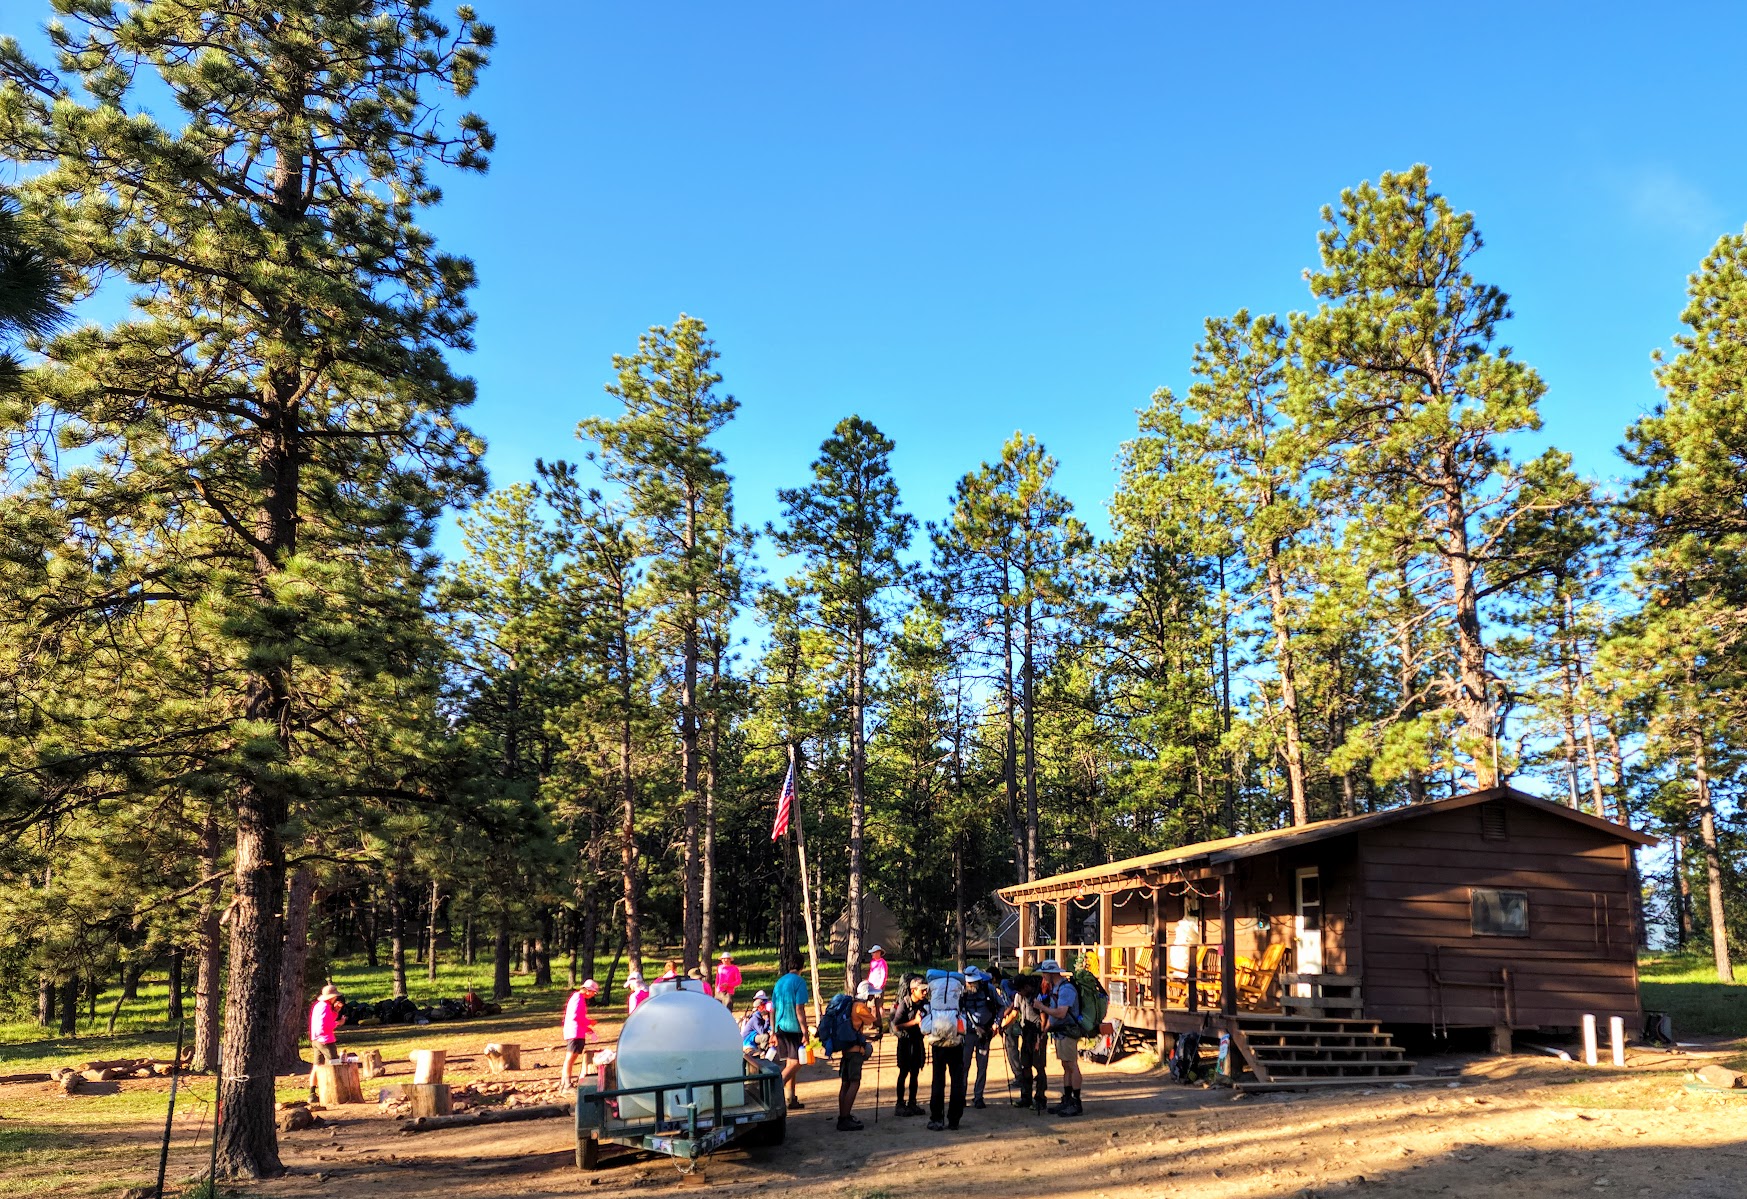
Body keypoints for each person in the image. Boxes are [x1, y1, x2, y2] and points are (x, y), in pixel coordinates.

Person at [1035, 959, 1083, 1116]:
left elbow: (1061, 1013)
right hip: (1060, 1032)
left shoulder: (1066, 989)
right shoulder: (1056, 988)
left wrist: (1042, 1007)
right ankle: (1068, 1099)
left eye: (1044, 973)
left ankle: (1076, 1102)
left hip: (1068, 1031)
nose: (1043, 976)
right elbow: (1054, 1015)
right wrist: (1045, 1031)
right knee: (1066, 1065)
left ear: (1051, 973)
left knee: (1072, 1065)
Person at [999, 971, 1047, 1113]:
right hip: (1026, 1032)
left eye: (1020, 989)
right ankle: (1026, 1097)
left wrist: (1041, 1037)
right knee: (1025, 1065)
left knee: (1039, 1066)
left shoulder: (1038, 996)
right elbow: (1015, 1013)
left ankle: (1040, 1098)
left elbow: (1043, 1019)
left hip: (1037, 1033)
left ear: (1026, 986)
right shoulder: (1019, 996)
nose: (1018, 992)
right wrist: (1004, 1026)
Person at [835, 982, 878, 1131]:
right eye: (871, 994)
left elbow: (855, 1029)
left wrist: (870, 1038)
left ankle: (843, 1115)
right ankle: (845, 1118)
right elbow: (876, 1022)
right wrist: (877, 1005)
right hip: (855, 1052)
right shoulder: (860, 1007)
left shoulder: (851, 1005)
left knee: (845, 1083)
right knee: (854, 1083)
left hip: (846, 1049)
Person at [771, 957, 811, 1110]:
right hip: (792, 1027)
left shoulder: (780, 982)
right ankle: (774, 1089)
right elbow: (799, 1008)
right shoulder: (799, 982)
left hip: (780, 1027)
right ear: (802, 966)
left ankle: (791, 1098)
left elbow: (772, 1009)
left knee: (790, 1062)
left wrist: (773, 1031)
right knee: (796, 1063)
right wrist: (805, 1031)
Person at [960, 967, 1000, 1109]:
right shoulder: (961, 992)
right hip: (967, 1034)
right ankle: (961, 1096)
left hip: (985, 1033)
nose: (971, 985)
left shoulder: (989, 989)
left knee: (982, 1066)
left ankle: (978, 1097)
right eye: (969, 983)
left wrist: (996, 1023)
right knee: (964, 1066)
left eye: (973, 982)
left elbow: (1001, 1006)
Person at [890, 974, 927, 1117]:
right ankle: (900, 1104)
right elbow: (896, 1025)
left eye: (925, 989)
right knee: (904, 1072)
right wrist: (914, 1022)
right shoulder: (904, 1004)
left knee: (915, 1073)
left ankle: (912, 1103)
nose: (925, 992)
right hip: (905, 1043)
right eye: (922, 990)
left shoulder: (924, 1003)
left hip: (917, 1042)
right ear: (913, 990)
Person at [306, 983, 345, 1101]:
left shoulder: (318, 1005)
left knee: (317, 1066)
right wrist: (338, 1023)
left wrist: (336, 1011)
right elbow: (324, 1025)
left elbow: (326, 1019)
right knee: (335, 1064)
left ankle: (312, 1093)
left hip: (315, 1039)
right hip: (325, 1040)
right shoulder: (326, 1007)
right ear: (332, 997)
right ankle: (336, 1092)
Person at [559, 978, 600, 1090]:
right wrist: (589, 1022)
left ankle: (564, 1083)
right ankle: (566, 1084)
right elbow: (575, 1017)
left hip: (577, 1032)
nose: (593, 995)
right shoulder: (578, 998)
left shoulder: (578, 998)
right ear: (588, 990)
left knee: (571, 1058)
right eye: (594, 992)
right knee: (570, 1058)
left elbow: (578, 1017)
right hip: (574, 1033)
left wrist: (587, 1029)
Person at [741, 990, 774, 1054]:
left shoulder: (760, 1014)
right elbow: (762, 1031)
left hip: (754, 1035)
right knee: (765, 1037)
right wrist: (767, 1020)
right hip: (748, 1039)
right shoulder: (755, 1018)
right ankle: (762, 1051)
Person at [866, 944, 889, 1025]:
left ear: (878, 953)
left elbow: (883, 975)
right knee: (872, 1005)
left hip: (879, 987)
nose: (872, 954)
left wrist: (880, 986)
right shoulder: (872, 962)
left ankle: (881, 1022)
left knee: (878, 1005)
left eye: (874, 952)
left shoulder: (882, 962)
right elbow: (871, 973)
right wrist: (868, 982)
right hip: (872, 986)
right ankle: (874, 1022)